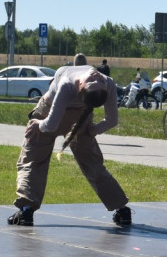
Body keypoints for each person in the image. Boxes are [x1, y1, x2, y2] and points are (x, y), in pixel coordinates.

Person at [8, 65, 132, 227]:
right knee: (93, 164)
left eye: (95, 80)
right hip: (79, 116)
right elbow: (112, 120)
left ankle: (26, 210)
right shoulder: (107, 82)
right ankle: (121, 209)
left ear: (81, 86)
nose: (97, 76)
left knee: (32, 160)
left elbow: (51, 125)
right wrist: (94, 130)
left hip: (49, 114)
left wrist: (38, 124)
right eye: (98, 79)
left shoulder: (68, 84)